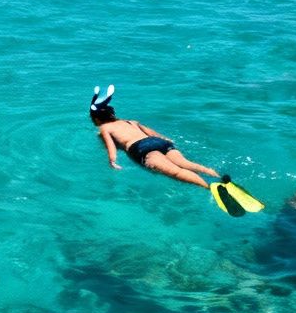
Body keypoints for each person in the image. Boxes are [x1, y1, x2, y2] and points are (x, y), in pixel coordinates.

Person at [87, 85, 263, 216]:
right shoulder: (131, 121)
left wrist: (112, 161)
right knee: (187, 164)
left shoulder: (104, 130)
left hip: (140, 148)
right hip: (156, 142)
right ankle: (219, 177)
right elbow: (154, 133)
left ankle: (209, 187)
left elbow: (111, 147)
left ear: (96, 119)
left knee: (176, 172)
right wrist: (166, 140)